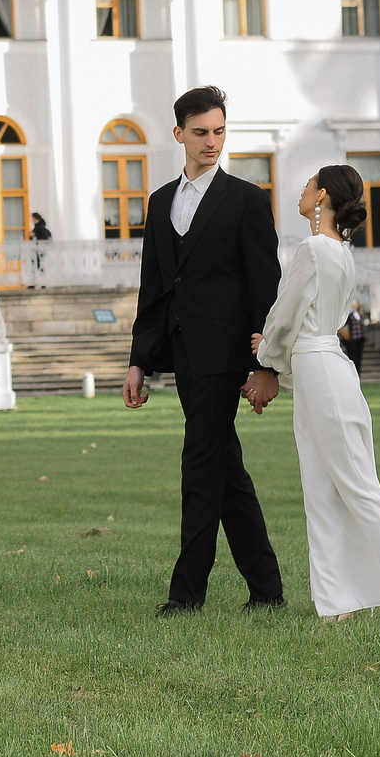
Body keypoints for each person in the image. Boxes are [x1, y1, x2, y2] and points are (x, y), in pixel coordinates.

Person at [123, 85, 289, 615]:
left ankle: (186, 594)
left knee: (200, 465)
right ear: (179, 134)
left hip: (228, 358)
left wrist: (266, 367)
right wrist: (139, 360)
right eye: (200, 133)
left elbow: (267, 289)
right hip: (184, 359)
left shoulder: (246, 199)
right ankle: (266, 590)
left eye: (219, 131)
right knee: (225, 472)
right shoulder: (159, 202)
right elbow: (154, 289)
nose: (212, 141)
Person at [253, 165, 380, 623]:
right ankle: (335, 603)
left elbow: (286, 311)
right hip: (322, 367)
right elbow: (315, 321)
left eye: (309, 183)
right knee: (320, 488)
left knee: (354, 482)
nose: (302, 189)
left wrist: (266, 354)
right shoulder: (341, 252)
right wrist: (277, 354)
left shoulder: (314, 248)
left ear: (323, 196)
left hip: (322, 371)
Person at [339, 305, 367, 377]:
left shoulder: (359, 315)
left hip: (359, 340)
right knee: (353, 358)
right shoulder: (349, 315)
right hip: (352, 340)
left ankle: (358, 374)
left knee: (358, 358)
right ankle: (353, 374)